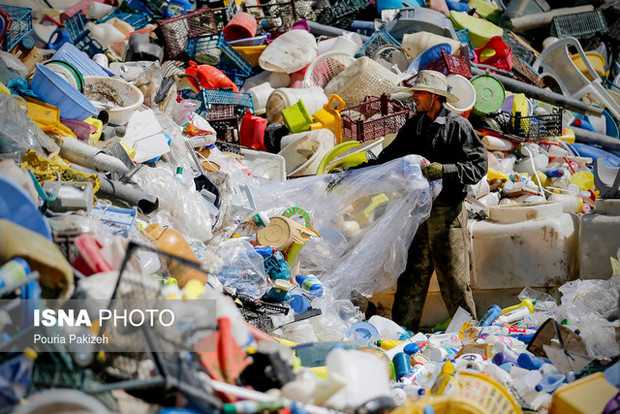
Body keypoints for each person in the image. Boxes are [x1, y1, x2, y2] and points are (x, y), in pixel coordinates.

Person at [353, 70, 488, 331]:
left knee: (454, 280)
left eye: (420, 93)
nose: (414, 97)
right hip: (419, 213)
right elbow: (387, 158)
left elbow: (478, 167)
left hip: (448, 216)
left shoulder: (458, 127)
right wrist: (355, 173)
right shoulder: (414, 125)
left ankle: (469, 334)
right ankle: (403, 334)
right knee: (412, 277)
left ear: (436, 97)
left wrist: (445, 170)